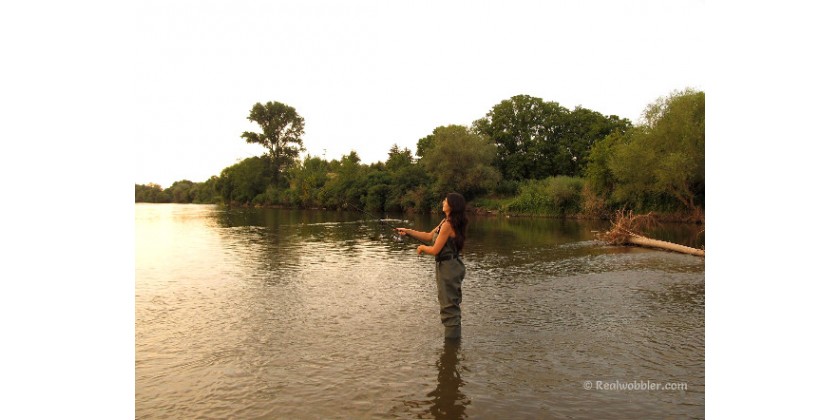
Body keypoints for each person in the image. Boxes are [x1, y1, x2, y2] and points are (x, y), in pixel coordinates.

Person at [396, 192, 468, 339]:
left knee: (449, 307)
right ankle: (452, 353)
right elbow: (429, 236)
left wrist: (422, 248)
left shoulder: (448, 225)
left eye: (445, 201)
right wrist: (408, 231)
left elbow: (435, 250)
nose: (443, 202)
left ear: (452, 206)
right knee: (450, 304)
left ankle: (452, 345)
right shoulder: (445, 222)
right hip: (449, 266)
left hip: (449, 268)